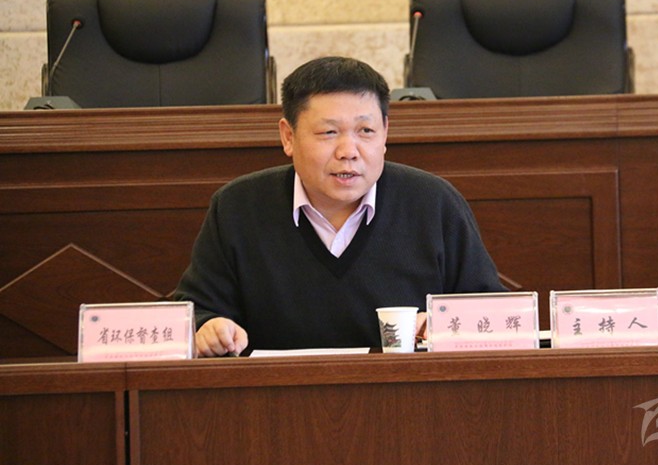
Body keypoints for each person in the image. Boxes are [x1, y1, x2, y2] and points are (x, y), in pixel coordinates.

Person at [174, 56, 504, 356]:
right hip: (277, 398)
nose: (348, 151)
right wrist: (209, 327)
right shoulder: (237, 207)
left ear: (385, 134)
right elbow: (194, 312)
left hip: (406, 397)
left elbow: (494, 314)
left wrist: (444, 326)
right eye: (329, 132)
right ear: (288, 137)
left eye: (366, 131)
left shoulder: (433, 203)